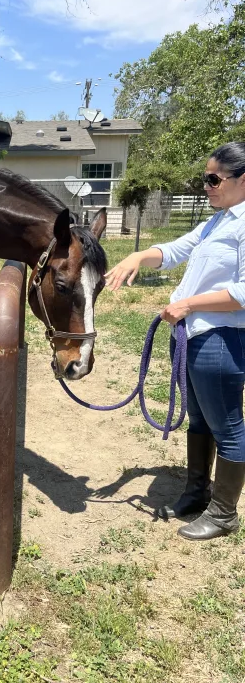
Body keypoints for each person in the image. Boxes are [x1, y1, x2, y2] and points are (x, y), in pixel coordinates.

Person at [106, 142, 245, 541]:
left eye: (214, 178)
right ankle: (196, 494)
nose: (207, 185)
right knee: (200, 420)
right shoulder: (217, 222)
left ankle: (223, 514)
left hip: (222, 338)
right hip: (195, 336)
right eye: (206, 178)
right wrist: (136, 258)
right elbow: (173, 250)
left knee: (229, 427)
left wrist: (186, 304)